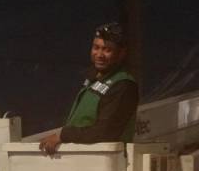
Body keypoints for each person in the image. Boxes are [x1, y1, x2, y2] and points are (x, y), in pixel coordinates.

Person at [38, 22, 140, 156]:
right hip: (84, 161)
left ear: (121, 53)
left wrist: (62, 135)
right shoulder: (92, 80)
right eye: (96, 47)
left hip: (108, 165)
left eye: (107, 49)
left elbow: (104, 133)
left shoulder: (123, 85)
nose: (99, 54)